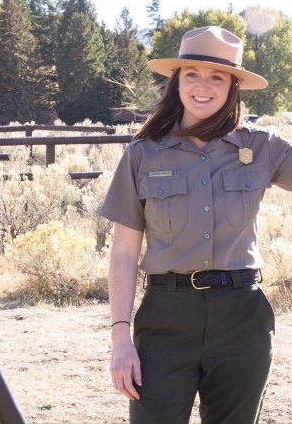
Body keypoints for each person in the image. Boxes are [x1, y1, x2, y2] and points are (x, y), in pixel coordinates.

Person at [99, 25, 287, 423]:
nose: (204, 86)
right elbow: (123, 253)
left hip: (242, 318)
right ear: (177, 82)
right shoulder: (143, 155)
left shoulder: (262, 146)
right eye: (192, 74)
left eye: (217, 76)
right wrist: (120, 339)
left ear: (233, 84)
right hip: (167, 318)